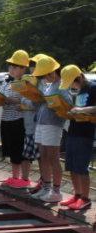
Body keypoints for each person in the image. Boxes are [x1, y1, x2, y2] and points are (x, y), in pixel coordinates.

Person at [58, 65, 95, 211]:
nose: (71, 86)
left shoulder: (92, 88)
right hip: (72, 130)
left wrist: (82, 109)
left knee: (81, 167)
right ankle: (77, 194)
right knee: (71, 165)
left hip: (85, 133)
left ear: (78, 78)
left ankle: (85, 199)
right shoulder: (75, 90)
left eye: (72, 82)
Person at [30, 55, 66, 203]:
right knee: (43, 156)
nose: (44, 78)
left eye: (45, 75)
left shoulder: (62, 85)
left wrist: (53, 103)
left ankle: (56, 191)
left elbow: (66, 105)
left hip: (53, 124)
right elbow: (38, 105)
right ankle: (46, 188)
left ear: (52, 72)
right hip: (41, 123)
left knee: (53, 158)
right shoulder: (48, 85)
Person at [0, 50, 30, 187]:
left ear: (23, 68)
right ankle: (14, 176)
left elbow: (28, 102)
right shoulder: (5, 80)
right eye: (10, 66)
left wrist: (13, 101)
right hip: (6, 118)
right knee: (10, 149)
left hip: (19, 119)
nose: (11, 69)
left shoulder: (26, 82)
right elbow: (0, 95)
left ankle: (24, 179)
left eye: (15, 66)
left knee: (20, 149)